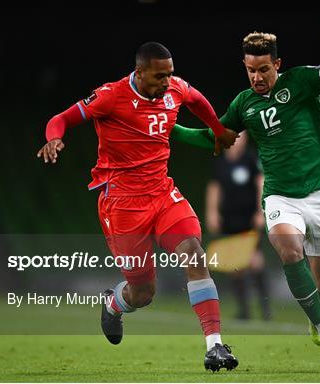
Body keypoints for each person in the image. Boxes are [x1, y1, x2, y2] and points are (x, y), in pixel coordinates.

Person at [36, 42, 239, 372]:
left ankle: (214, 346)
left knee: (193, 253)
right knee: (143, 293)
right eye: (159, 76)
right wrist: (53, 138)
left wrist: (217, 130)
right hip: (122, 206)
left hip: (162, 194)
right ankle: (114, 303)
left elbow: (197, 99)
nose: (166, 82)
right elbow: (61, 118)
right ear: (139, 73)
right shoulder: (110, 96)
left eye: (170, 75)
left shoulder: (174, 88)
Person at [176, 10, 320, 363]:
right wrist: (171, 129)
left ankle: (318, 317)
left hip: (319, 195)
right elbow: (216, 135)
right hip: (280, 197)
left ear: (278, 64)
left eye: (263, 69)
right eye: (250, 70)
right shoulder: (244, 103)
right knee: (288, 249)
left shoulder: (300, 82)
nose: (257, 77)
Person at [206, 132, 271, 321]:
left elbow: (261, 182)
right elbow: (214, 187)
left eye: (241, 135)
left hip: (249, 220)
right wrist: (212, 212)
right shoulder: (221, 160)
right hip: (229, 220)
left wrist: (261, 210)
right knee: (235, 266)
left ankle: (265, 308)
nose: (238, 139)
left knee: (255, 261)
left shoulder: (251, 158)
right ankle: (244, 310)